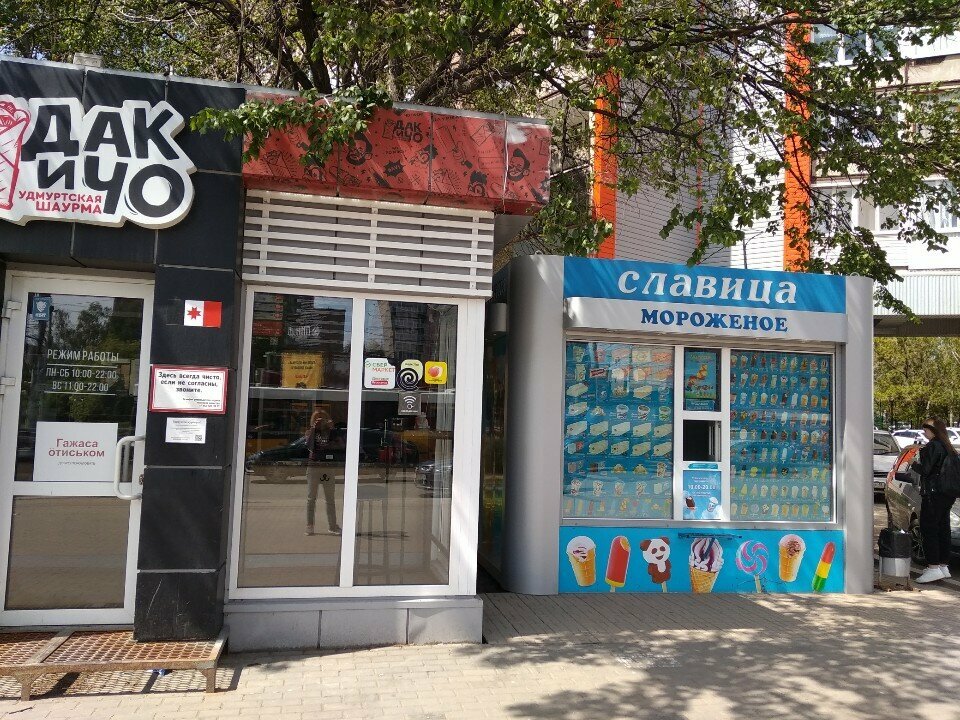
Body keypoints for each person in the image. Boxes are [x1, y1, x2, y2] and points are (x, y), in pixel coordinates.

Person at [911, 417, 957, 582]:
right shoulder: (948, 446)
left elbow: (926, 470)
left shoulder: (933, 446)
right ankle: (943, 566)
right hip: (947, 494)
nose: (924, 431)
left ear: (934, 430)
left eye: (926, 428)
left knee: (929, 529)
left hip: (933, 493)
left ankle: (933, 567)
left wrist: (913, 463)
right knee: (943, 528)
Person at [305, 407, 342, 535]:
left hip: (327, 467)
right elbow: (310, 447)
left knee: (330, 498)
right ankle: (309, 525)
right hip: (313, 467)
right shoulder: (310, 432)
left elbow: (340, 446)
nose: (320, 421)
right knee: (311, 498)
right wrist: (314, 429)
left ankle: (332, 526)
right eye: (317, 419)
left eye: (322, 419)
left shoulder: (331, 432)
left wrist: (333, 429)